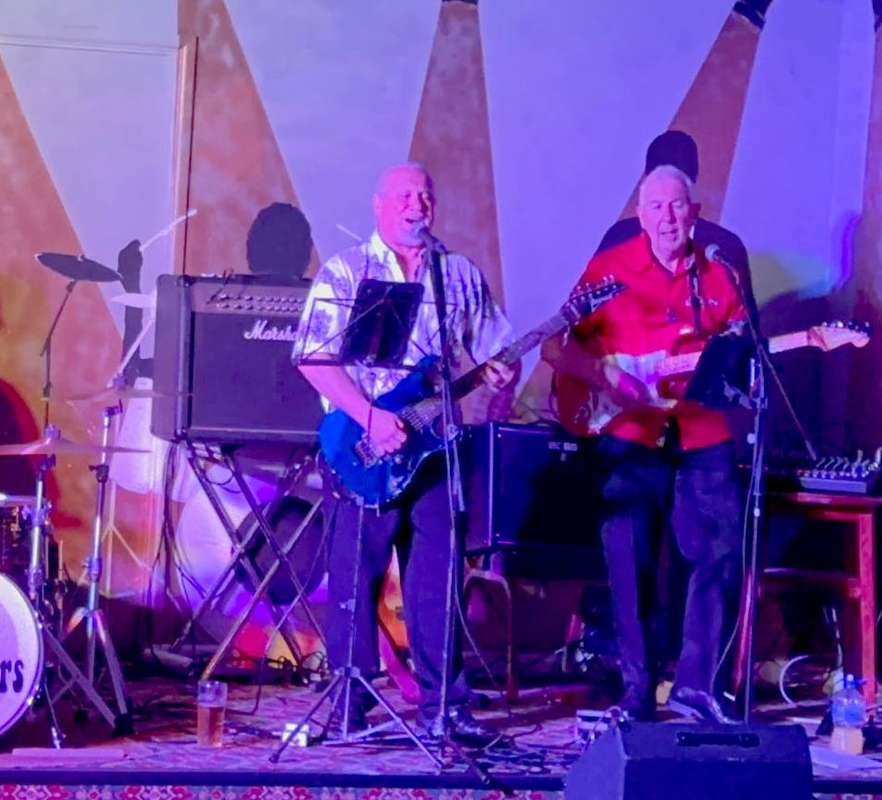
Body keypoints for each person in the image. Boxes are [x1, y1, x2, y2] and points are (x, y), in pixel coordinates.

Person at [293, 163, 514, 745]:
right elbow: (312, 357)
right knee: (356, 576)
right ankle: (350, 701)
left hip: (434, 447)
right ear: (378, 204)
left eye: (425, 194)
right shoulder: (347, 271)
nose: (417, 204)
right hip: (362, 446)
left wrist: (501, 373)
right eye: (405, 195)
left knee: (438, 579)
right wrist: (369, 415)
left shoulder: (457, 273)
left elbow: (493, 347)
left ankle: (443, 704)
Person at [543, 165, 745, 724]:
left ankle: (697, 688)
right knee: (630, 561)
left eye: (677, 206)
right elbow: (555, 346)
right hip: (631, 432)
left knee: (720, 554)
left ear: (694, 213)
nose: (668, 217)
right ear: (640, 214)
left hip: (701, 431)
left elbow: (739, 351)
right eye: (656, 207)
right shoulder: (610, 270)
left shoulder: (718, 274)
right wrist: (606, 375)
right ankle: (636, 690)